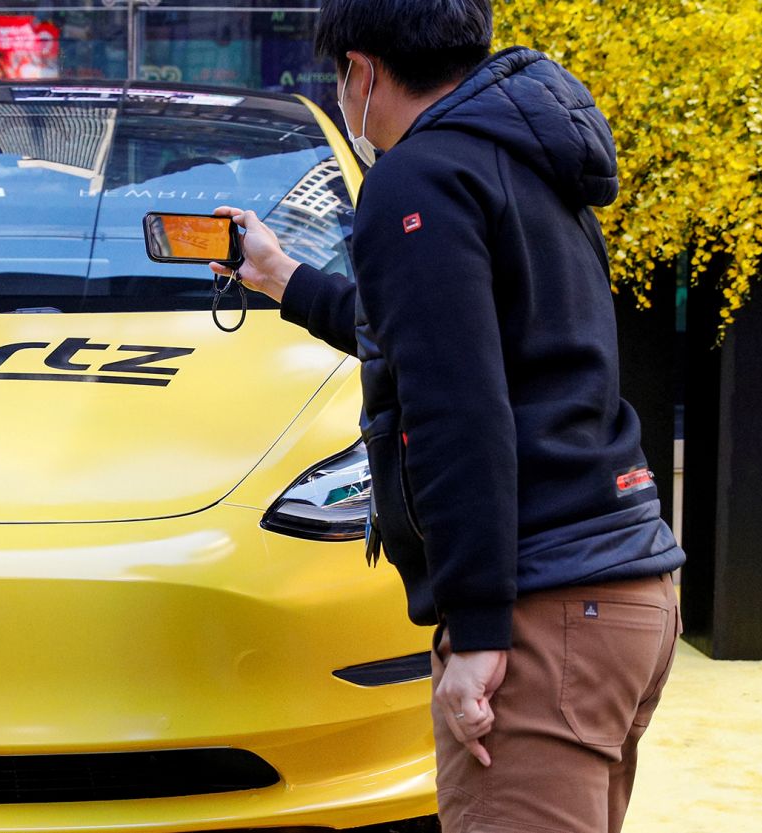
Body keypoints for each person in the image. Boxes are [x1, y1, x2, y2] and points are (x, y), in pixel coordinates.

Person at [211, 2, 686, 832]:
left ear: (359, 71)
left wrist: (476, 630)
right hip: (625, 585)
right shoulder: (522, 155)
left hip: (545, 603)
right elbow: (441, 333)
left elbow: (455, 409)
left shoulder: (417, 176)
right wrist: (285, 277)